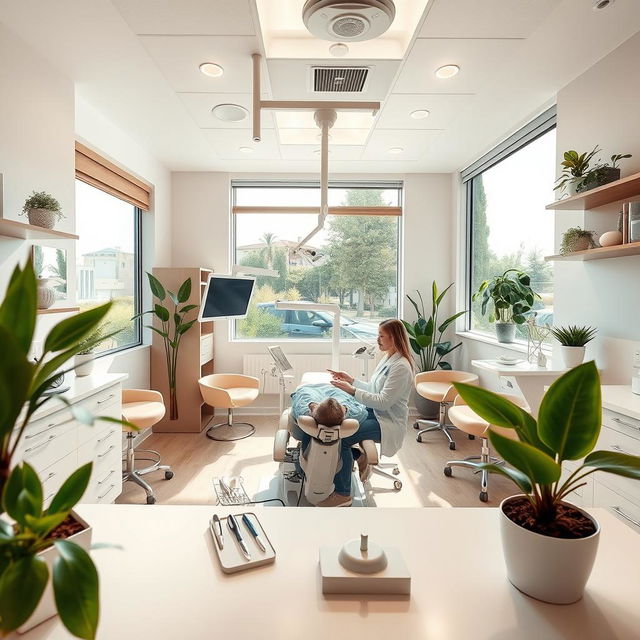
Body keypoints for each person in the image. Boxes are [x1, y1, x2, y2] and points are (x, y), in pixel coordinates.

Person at [322, 318, 414, 507]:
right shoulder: (389, 358)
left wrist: (351, 390)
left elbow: (383, 402)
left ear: (394, 338)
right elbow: (374, 388)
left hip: (387, 422)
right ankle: (358, 457)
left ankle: (343, 494)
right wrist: (352, 380)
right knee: (340, 423)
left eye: (381, 336)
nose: (377, 339)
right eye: (378, 335)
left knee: (342, 436)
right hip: (374, 412)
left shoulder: (401, 367)